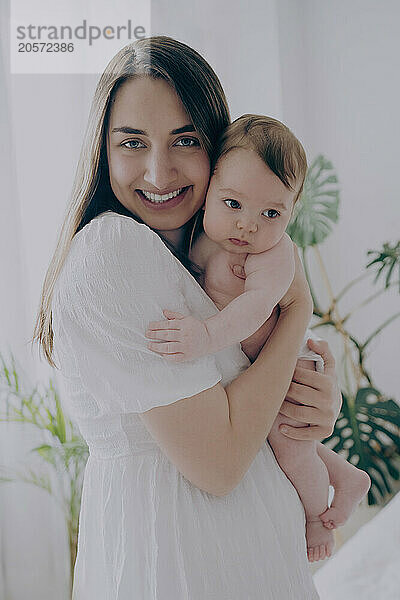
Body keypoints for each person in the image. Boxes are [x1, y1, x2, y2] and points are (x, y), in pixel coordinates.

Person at [32, 36, 342, 598]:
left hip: (244, 558)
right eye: (132, 142)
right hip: (181, 563)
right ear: (103, 151)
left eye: (186, 140)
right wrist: (295, 311)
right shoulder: (114, 251)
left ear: (220, 151)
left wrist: (311, 404)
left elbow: (247, 400)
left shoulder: (202, 257)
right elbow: (219, 463)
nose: (158, 170)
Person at [146, 114, 371, 562]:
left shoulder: (275, 253)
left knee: (288, 448)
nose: (248, 225)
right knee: (270, 437)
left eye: (271, 213)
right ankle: (346, 474)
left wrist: (205, 335)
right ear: (210, 186)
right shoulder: (198, 235)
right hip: (251, 366)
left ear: (292, 211)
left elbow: (254, 310)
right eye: (233, 204)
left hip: (287, 363)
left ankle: (315, 515)